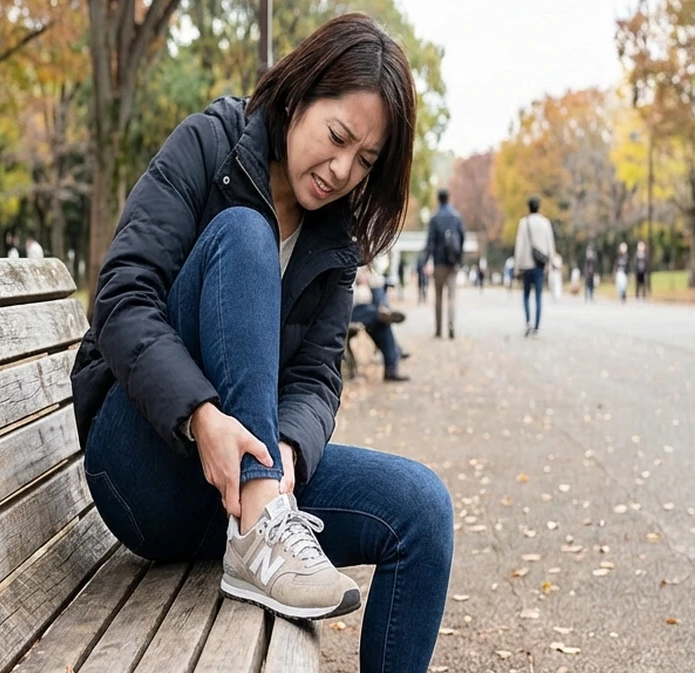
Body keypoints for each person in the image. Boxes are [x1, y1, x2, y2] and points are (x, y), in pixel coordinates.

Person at [69, 15, 453, 673]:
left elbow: (315, 378)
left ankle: (261, 513)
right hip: (144, 469)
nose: (340, 170)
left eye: (364, 160)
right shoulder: (210, 144)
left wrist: (289, 451)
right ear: (299, 94)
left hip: (253, 489)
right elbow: (121, 300)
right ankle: (259, 521)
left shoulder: (335, 242)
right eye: (337, 138)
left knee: (423, 511)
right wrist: (202, 416)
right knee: (244, 232)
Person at [352, 266, 410, 382]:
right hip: (350, 312)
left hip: (366, 312)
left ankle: (391, 368)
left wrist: (366, 280)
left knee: (382, 323)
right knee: (378, 317)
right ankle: (391, 367)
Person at [423, 188, 464, 339]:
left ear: (438, 199)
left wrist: (426, 260)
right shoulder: (456, 216)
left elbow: (430, 242)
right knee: (452, 296)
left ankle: (439, 329)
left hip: (439, 262)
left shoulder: (434, 218)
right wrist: (459, 259)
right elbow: (462, 237)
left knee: (439, 297)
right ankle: (451, 324)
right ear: (448, 198)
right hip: (453, 263)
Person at [514, 195, 555, 338]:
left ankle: (528, 322)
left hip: (526, 264)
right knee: (538, 296)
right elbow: (550, 245)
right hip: (539, 265)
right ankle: (536, 327)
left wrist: (517, 266)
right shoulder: (545, 223)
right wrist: (549, 263)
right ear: (539, 207)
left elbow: (519, 246)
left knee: (525, 295)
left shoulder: (523, 223)